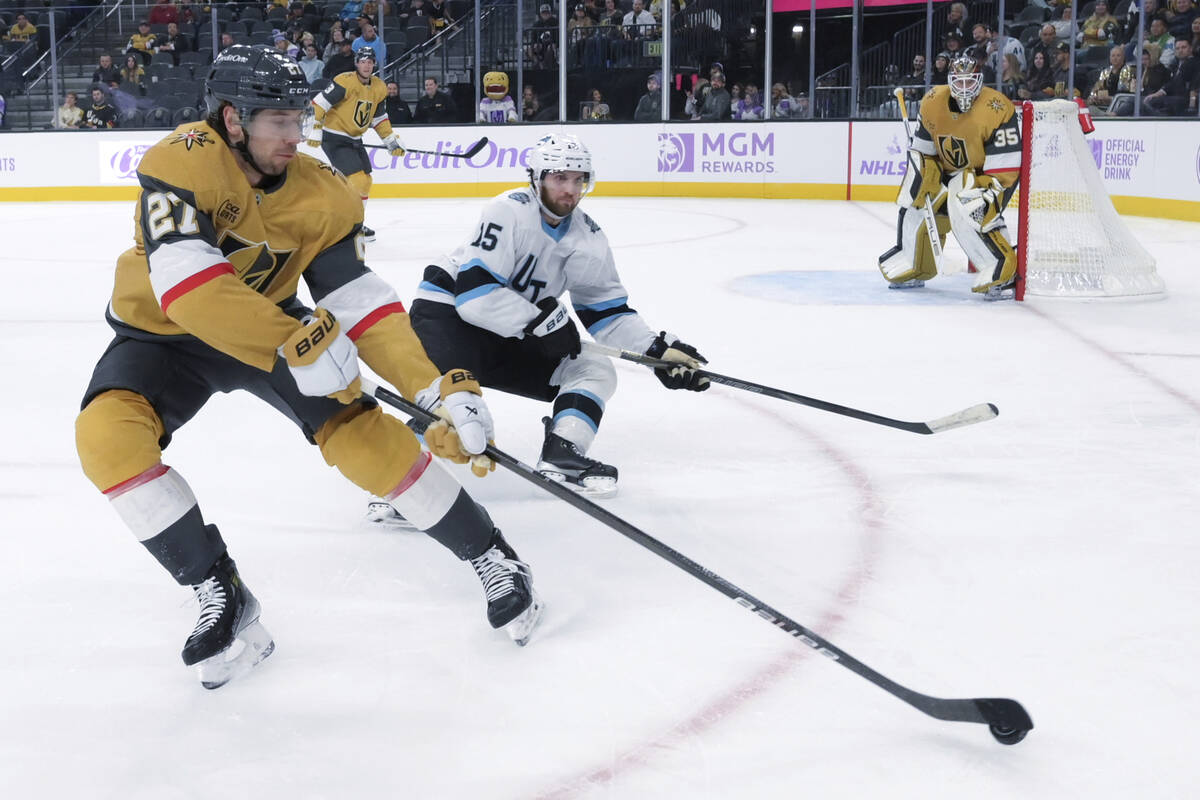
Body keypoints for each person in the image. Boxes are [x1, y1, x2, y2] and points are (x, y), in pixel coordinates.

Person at [73, 44, 542, 691]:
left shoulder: (320, 191)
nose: (295, 136)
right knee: (105, 438)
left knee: (362, 435)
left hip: (272, 324)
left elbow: (359, 299)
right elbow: (192, 287)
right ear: (232, 118)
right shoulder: (178, 163)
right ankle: (220, 588)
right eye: (278, 122)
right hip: (165, 334)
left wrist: (432, 386)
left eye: (298, 119)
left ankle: (493, 556)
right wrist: (295, 344)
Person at [372, 133, 708, 510]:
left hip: (512, 328)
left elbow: (606, 310)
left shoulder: (589, 238)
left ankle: (562, 452)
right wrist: (541, 322)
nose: (570, 189)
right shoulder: (509, 210)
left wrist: (656, 350)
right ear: (537, 177)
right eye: (560, 178)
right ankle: (401, 484)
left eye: (579, 179)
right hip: (448, 316)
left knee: (593, 368)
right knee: (454, 400)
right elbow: (474, 297)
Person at [877, 54, 1022, 299]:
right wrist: (924, 174)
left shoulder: (998, 107)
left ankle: (999, 266)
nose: (964, 88)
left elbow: (1005, 168)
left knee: (968, 207)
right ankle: (915, 264)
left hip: (982, 176)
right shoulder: (932, 101)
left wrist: (989, 193)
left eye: (969, 81)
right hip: (946, 171)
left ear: (980, 80)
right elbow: (925, 152)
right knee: (916, 204)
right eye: (959, 81)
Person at [307, 47, 405, 243]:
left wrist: (390, 140)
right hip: (334, 137)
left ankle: (355, 223)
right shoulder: (344, 81)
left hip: (353, 139)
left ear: (374, 64)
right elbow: (319, 103)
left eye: (370, 62)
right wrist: (316, 128)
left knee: (366, 182)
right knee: (357, 181)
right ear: (356, 63)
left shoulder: (379, 87)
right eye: (363, 61)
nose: (366, 65)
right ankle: (347, 225)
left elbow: (379, 118)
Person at [1144, 37, 1199, 113]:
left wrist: (1192, 106)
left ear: (1190, 48)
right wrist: (1157, 93)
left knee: (1153, 102)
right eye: (1177, 48)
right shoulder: (1175, 64)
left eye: (1183, 47)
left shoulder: (1195, 63)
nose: (1180, 50)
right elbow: (1171, 83)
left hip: (1185, 100)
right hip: (1173, 98)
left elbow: (1194, 86)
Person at [1088, 45, 1134, 111]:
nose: (1115, 58)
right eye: (1113, 56)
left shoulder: (1130, 71)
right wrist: (1094, 97)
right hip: (1105, 103)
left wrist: (1111, 99)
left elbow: (1129, 94)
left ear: (1123, 57)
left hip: (1121, 104)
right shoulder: (1105, 72)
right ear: (1110, 58)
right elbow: (1097, 88)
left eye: (1118, 55)